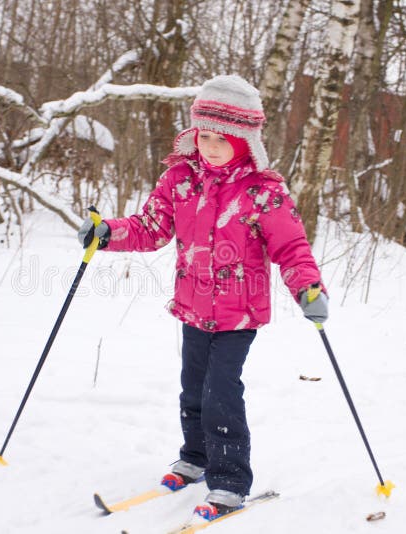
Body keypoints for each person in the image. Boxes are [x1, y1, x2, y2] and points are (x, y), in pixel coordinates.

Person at [78, 74, 328, 519]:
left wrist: (307, 287)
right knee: (193, 388)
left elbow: (290, 247)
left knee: (220, 392)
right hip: (193, 307)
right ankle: (195, 457)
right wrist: (107, 232)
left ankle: (230, 479)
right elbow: (150, 227)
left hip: (239, 314)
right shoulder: (180, 179)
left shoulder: (263, 192)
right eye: (205, 135)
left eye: (223, 138)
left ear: (246, 138)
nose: (211, 146)